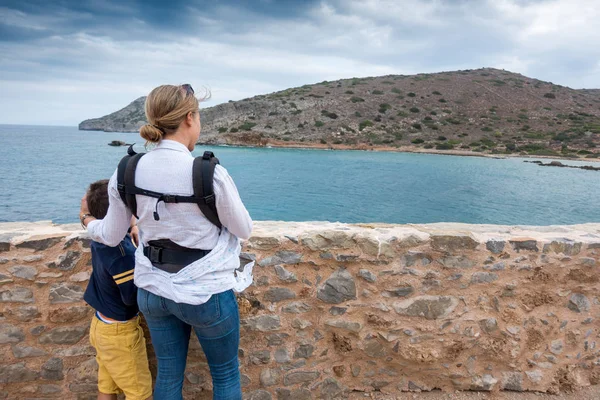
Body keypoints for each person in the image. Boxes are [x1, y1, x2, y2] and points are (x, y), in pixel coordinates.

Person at [80, 84, 253, 400]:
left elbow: (111, 235)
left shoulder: (127, 170)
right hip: (205, 294)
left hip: (153, 291)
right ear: (190, 118)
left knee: (169, 376)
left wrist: (89, 222)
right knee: (226, 376)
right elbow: (244, 229)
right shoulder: (208, 172)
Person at [81, 179, 152, 400]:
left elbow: (89, 216)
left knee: (107, 387)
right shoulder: (122, 254)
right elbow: (131, 297)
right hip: (119, 334)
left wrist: (131, 226)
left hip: (101, 325)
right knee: (140, 394)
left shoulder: (99, 237)